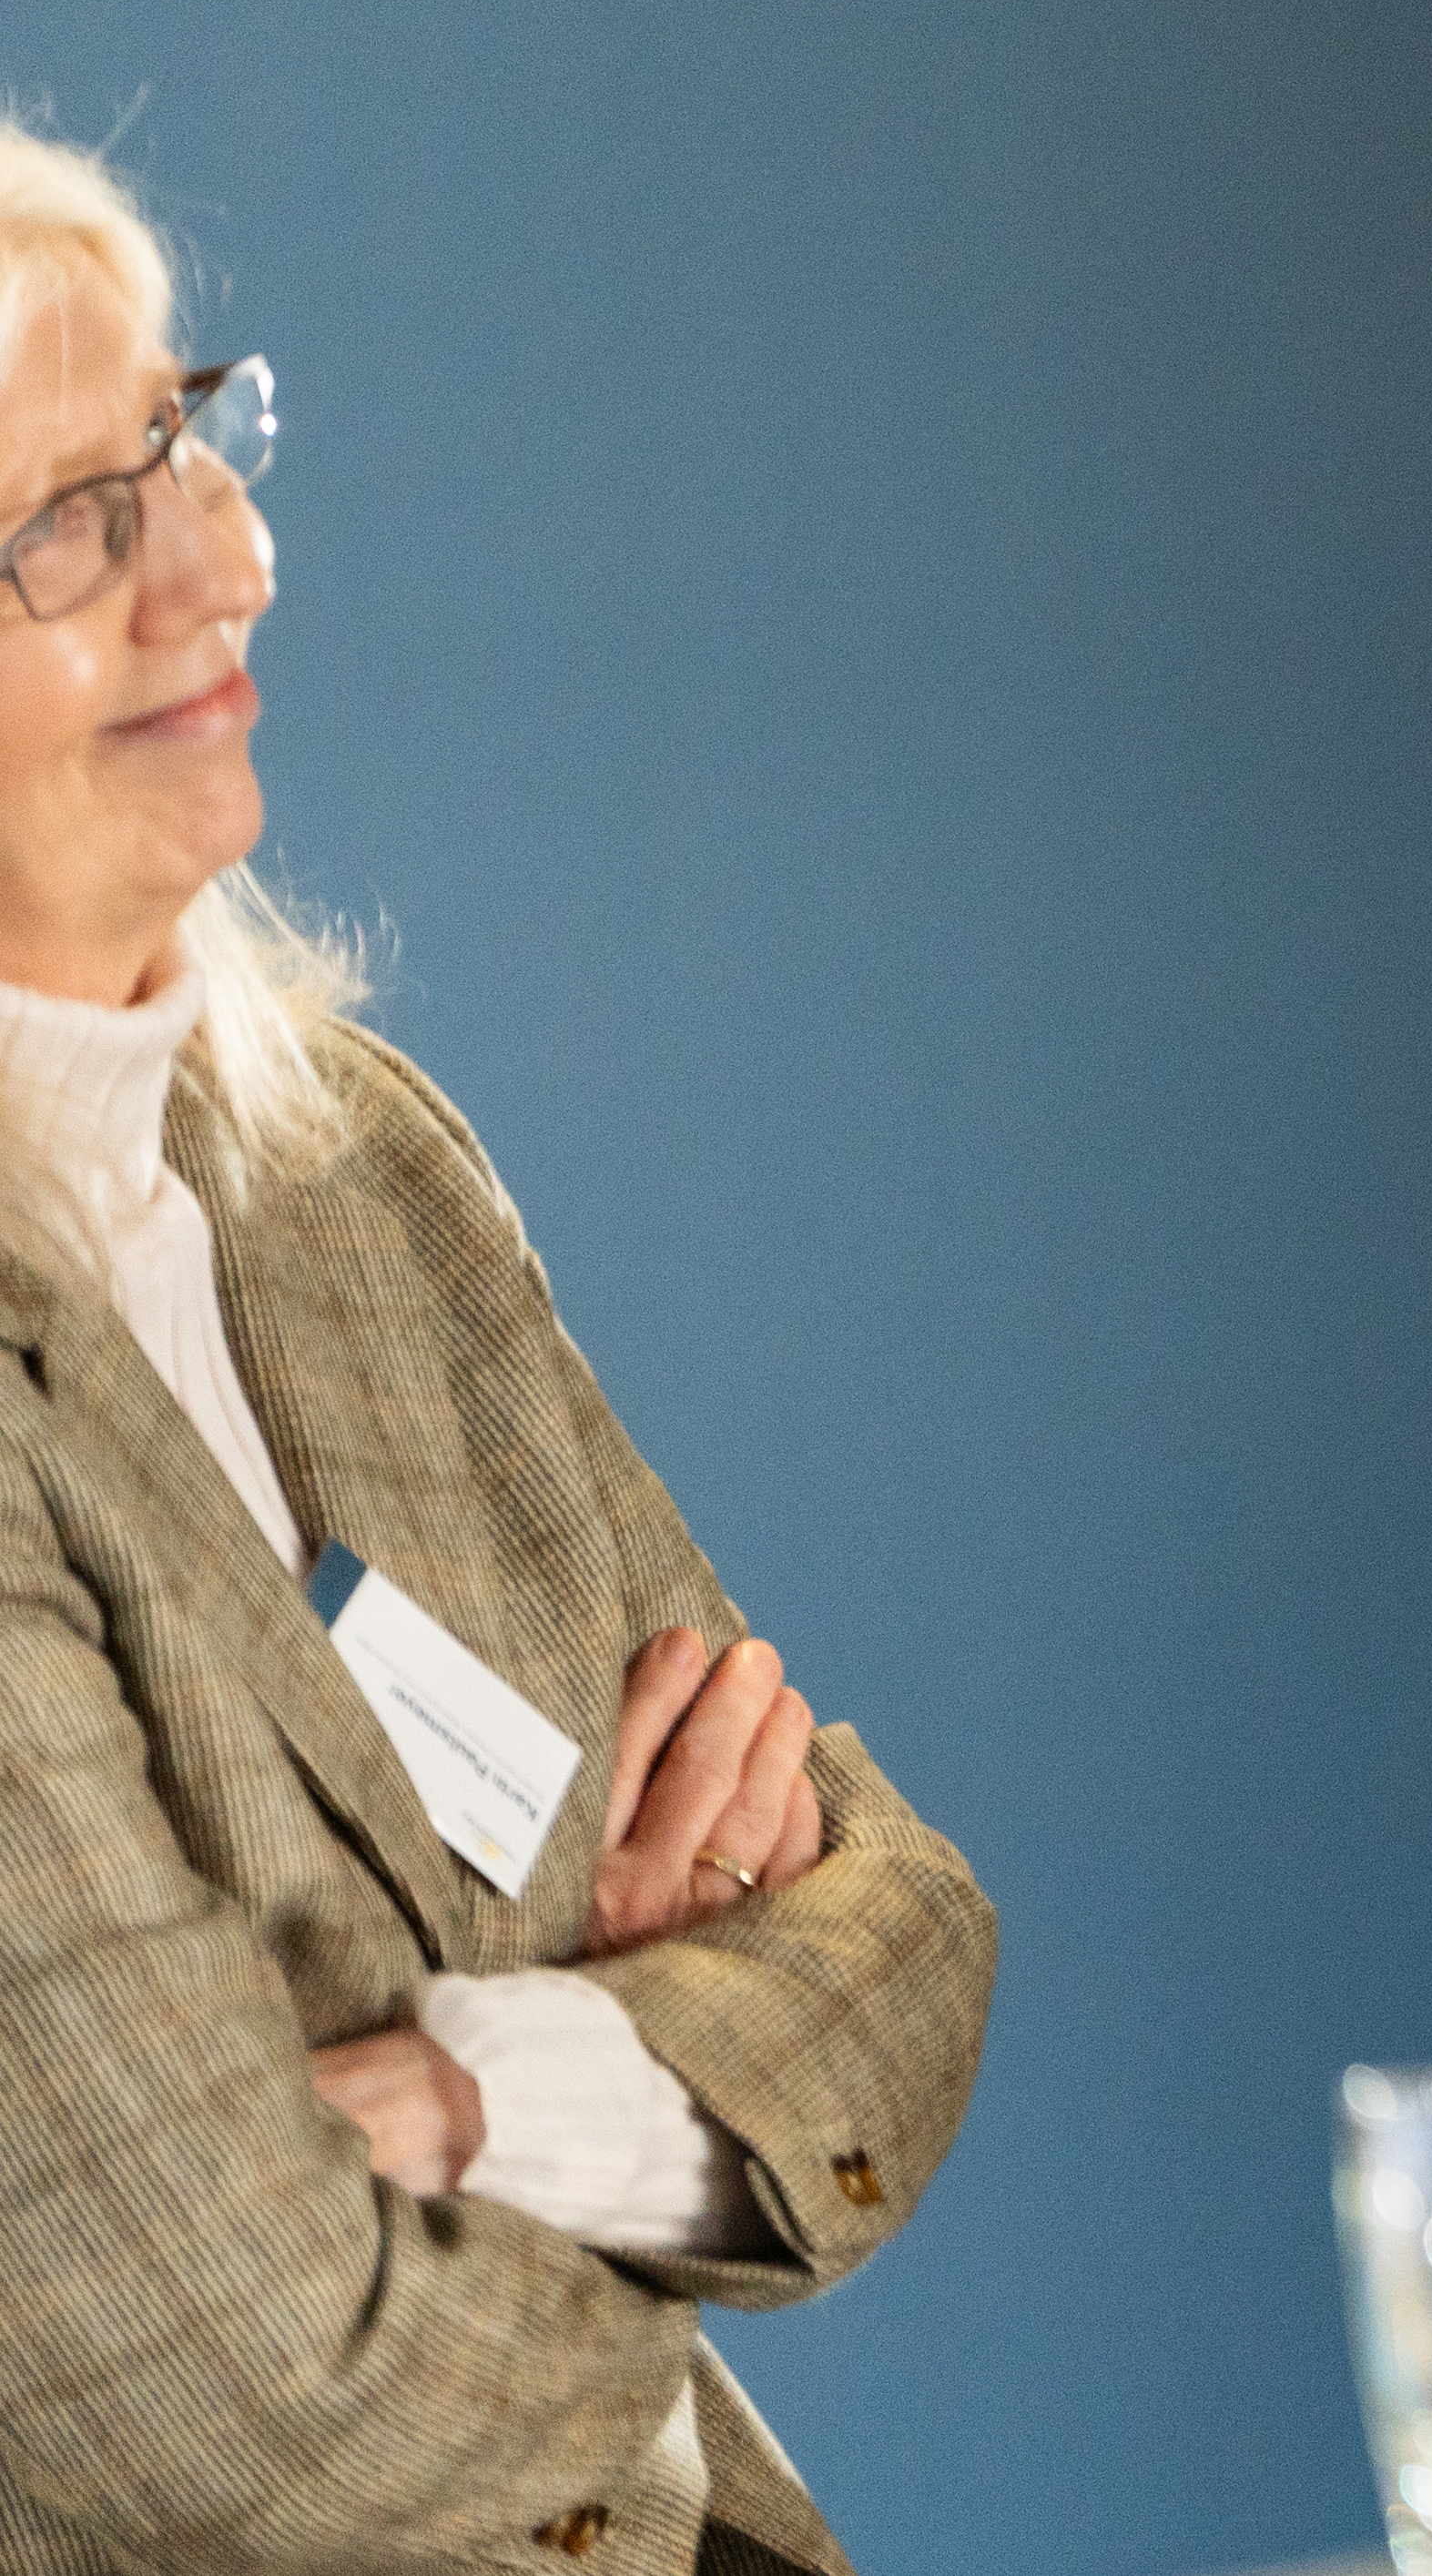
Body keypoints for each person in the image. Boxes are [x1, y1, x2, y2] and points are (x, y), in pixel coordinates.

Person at [0, 127, 994, 2571]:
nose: (224, 563)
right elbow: (243, 2376)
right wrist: (656, 2083)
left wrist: (464, 2089)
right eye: (60, 519)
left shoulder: (349, 1168)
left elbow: (900, 1938)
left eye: (185, 441)